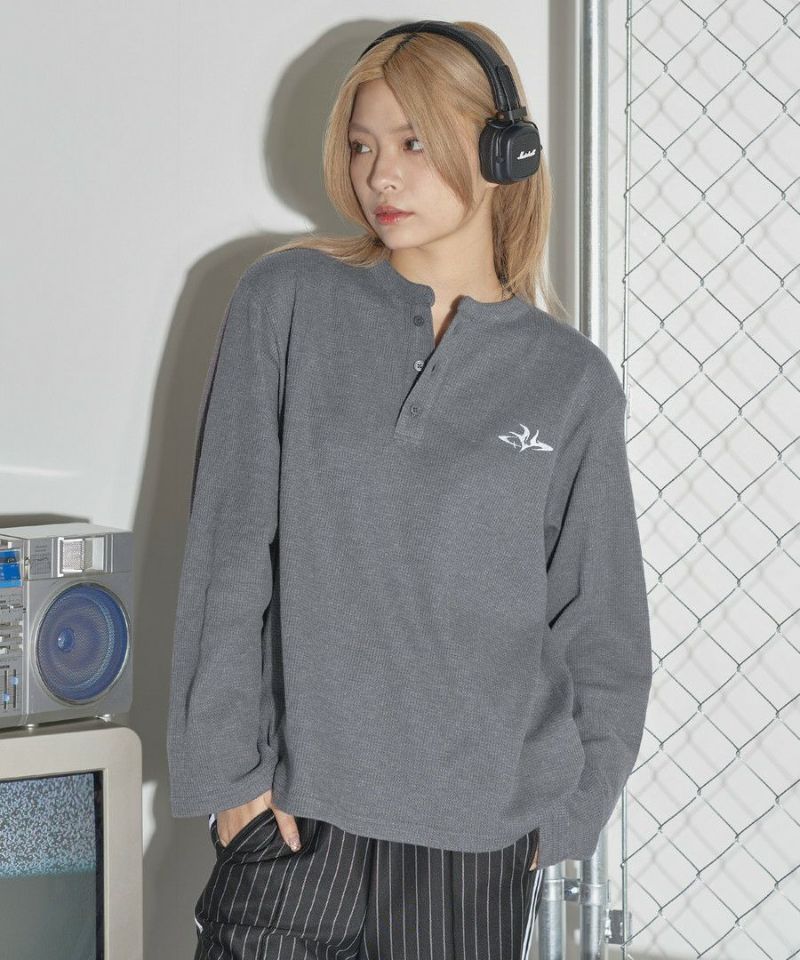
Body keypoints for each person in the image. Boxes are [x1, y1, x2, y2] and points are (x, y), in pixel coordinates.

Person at [166, 18, 652, 960]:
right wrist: (233, 789)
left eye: (413, 143)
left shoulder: (569, 381)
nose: (380, 176)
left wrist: (558, 822)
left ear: (505, 153)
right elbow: (227, 556)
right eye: (362, 146)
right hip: (295, 829)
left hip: (475, 855)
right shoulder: (288, 302)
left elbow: (603, 631)